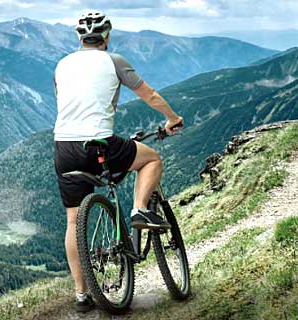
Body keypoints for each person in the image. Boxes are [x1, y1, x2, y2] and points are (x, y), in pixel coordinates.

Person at [53, 11, 184, 312]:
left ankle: (82, 295)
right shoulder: (114, 61)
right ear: (107, 36)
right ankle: (139, 210)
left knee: (73, 221)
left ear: (79, 38)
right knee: (151, 160)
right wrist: (172, 119)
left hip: (63, 146)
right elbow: (148, 94)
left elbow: (67, 101)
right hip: (99, 143)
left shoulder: (61, 65)